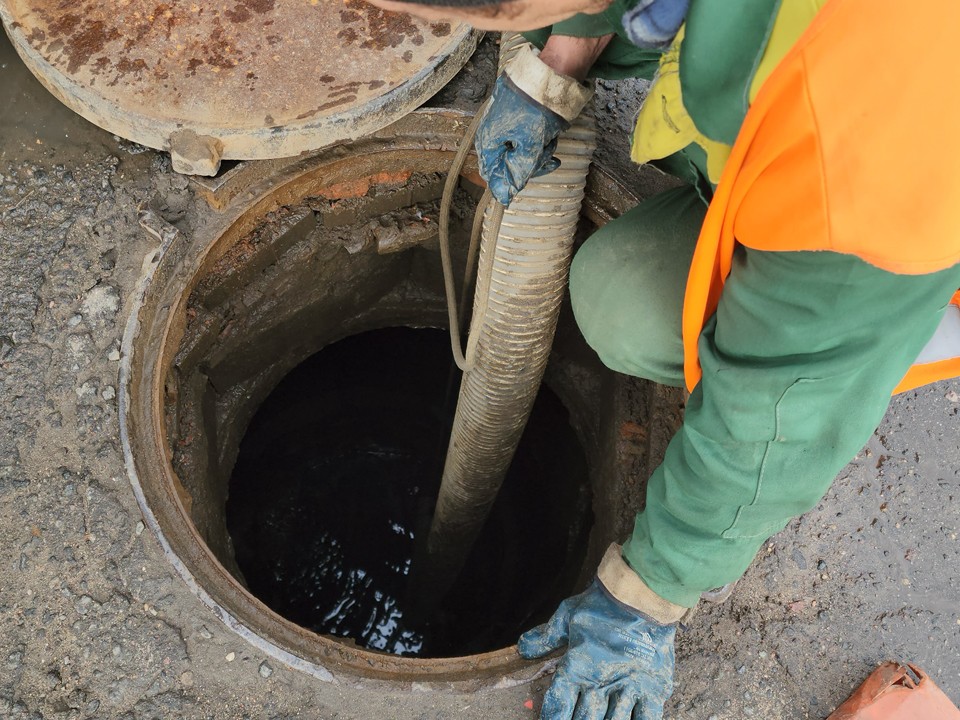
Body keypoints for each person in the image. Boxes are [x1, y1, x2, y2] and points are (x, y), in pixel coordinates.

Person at [366, 0, 960, 717]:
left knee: (739, 360)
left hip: (889, 244)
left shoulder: (884, 134)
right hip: (791, 154)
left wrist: (647, 599)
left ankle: (874, 355)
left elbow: (778, 409)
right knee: (624, 299)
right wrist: (558, 65)